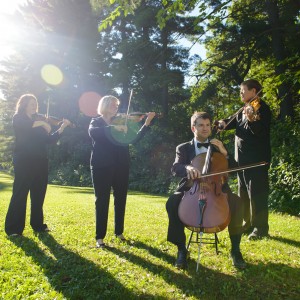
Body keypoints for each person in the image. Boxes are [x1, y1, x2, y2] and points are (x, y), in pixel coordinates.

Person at [166, 111, 246, 269]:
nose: (205, 128)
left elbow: (235, 168)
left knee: (237, 202)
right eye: (201, 125)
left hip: (216, 189)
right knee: (172, 201)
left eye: (208, 125)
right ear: (193, 128)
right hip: (191, 188)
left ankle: (235, 250)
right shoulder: (183, 148)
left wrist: (224, 152)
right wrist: (188, 167)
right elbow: (175, 168)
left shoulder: (217, 147)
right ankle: (182, 249)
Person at [88, 95, 155, 248]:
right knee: (102, 200)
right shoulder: (96, 122)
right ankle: (100, 238)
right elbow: (93, 133)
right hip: (101, 166)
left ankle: (119, 232)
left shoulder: (123, 122)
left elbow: (134, 139)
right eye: (113, 104)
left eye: (117, 105)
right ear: (104, 105)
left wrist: (146, 123)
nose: (116, 107)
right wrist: (113, 128)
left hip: (121, 165)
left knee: (121, 199)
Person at [5, 94, 71, 236]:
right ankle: (13, 229)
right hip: (23, 160)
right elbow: (27, 126)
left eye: (35, 103)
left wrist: (62, 127)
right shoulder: (18, 118)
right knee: (20, 193)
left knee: (38, 194)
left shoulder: (39, 121)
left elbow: (49, 140)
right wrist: (43, 123)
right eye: (31, 104)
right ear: (24, 105)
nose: (34, 106)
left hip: (40, 160)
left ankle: (38, 225)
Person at [217, 79, 271, 240]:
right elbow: (230, 122)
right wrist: (222, 123)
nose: (240, 93)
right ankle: (247, 225)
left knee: (257, 194)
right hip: (241, 161)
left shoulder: (262, 109)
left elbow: (261, 132)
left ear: (254, 91)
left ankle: (260, 229)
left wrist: (253, 120)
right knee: (243, 194)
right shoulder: (243, 110)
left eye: (243, 91)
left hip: (257, 159)